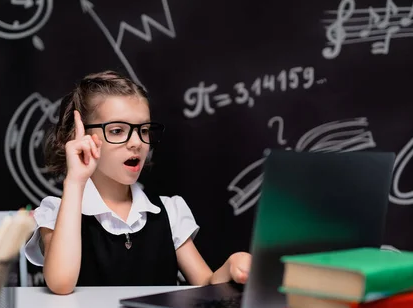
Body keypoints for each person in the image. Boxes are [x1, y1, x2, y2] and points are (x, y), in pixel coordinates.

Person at [24, 70, 252, 295]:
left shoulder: (168, 212)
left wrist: (231, 267)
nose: (136, 142)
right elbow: (61, 283)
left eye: (143, 130)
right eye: (117, 130)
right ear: (80, 136)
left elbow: (205, 286)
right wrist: (75, 181)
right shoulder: (57, 212)